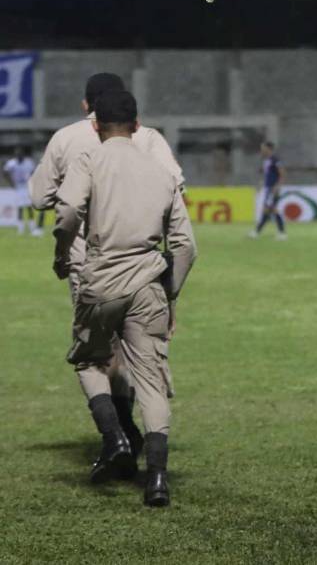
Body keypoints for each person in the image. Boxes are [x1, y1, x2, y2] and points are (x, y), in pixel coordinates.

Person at [29, 72, 186, 463]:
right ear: (132, 115)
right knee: (138, 354)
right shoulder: (148, 138)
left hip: (90, 264)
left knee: (96, 354)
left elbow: (40, 197)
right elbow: (175, 188)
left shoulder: (67, 139)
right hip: (145, 266)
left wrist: (64, 247)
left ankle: (116, 436)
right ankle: (136, 438)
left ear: (89, 109)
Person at [52, 90, 197, 507]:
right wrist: (170, 296)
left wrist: (63, 255)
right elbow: (186, 246)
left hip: (101, 280)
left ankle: (113, 435)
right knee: (150, 381)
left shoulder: (89, 160)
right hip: (148, 281)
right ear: (137, 125)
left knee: (88, 359)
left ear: (95, 125)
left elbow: (66, 215)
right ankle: (156, 479)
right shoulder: (161, 172)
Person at [249, 141, 287, 240]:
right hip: (268, 188)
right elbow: (266, 176)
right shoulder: (266, 161)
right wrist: (261, 186)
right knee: (267, 210)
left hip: (273, 189)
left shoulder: (275, 160)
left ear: (268, 149)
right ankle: (257, 232)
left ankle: (282, 233)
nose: (261, 150)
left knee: (271, 209)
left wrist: (277, 186)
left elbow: (282, 174)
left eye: (263, 148)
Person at [3, 147, 41, 236]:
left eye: (20, 155)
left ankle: (32, 227)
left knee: (29, 208)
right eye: (17, 156)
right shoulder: (12, 163)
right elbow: (5, 171)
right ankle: (21, 228)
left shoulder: (28, 163)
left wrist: (32, 180)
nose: (19, 157)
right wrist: (11, 183)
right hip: (18, 188)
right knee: (20, 208)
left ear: (23, 156)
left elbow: (34, 171)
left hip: (27, 187)